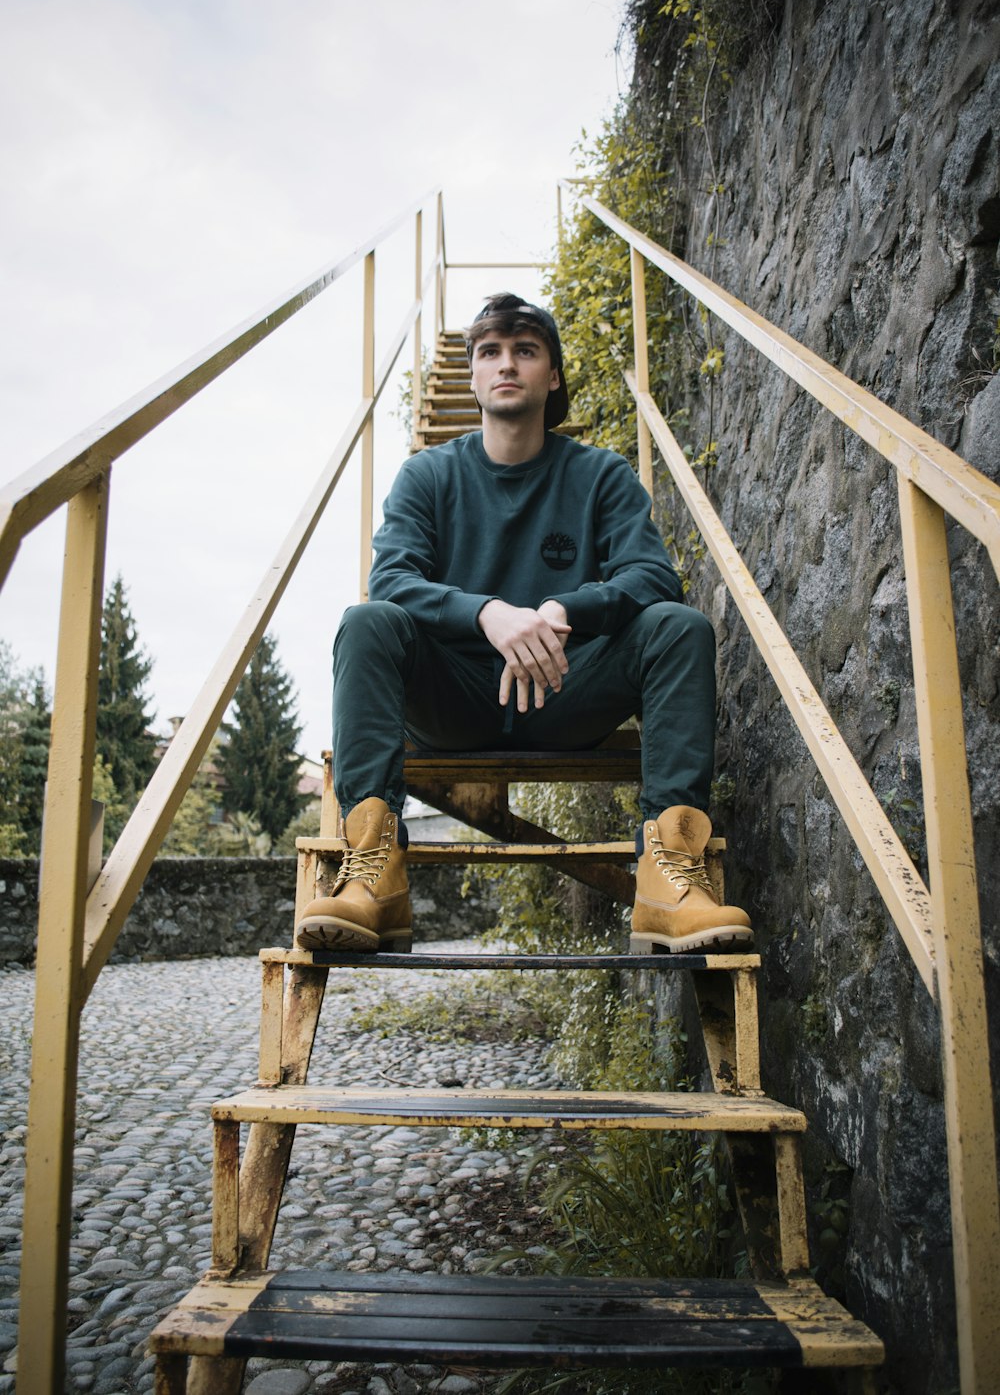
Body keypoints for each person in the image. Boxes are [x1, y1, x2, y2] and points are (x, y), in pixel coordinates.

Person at [295, 293, 752, 955]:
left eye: (526, 350)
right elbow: (393, 580)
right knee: (367, 620)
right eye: (490, 352)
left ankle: (667, 875)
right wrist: (487, 613)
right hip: (451, 699)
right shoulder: (427, 476)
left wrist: (563, 609)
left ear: (554, 375)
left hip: (568, 695)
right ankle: (374, 874)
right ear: (475, 377)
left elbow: (654, 579)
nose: (507, 364)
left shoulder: (601, 476)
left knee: (680, 627)